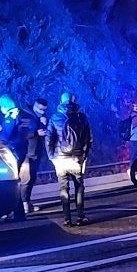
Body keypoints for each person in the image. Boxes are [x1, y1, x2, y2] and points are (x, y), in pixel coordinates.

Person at [47, 92, 93, 227]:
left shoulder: (55, 117)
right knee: (79, 187)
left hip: (60, 159)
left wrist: (51, 157)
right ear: (74, 101)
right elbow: (89, 139)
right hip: (76, 159)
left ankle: (67, 218)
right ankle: (80, 216)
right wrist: (84, 156)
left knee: (63, 188)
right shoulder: (81, 117)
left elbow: (49, 139)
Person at [0, 94, 38, 221]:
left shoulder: (10, 115)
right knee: (15, 179)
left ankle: (16, 212)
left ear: (4, 106)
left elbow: (7, 136)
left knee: (9, 180)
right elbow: (27, 129)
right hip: (23, 148)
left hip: (13, 150)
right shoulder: (23, 114)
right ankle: (17, 212)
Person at [30, 97, 52, 201]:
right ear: (35, 105)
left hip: (37, 151)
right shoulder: (26, 116)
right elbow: (21, 133)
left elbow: (45, 132)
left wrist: (44, 124)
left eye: (44, 110)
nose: (42, 112)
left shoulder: (41, 117)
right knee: (26, 179)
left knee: (32, 177)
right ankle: (23, 203)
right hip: (27, 152)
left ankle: (27, 202)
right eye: (40, 109)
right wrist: (35, 133)